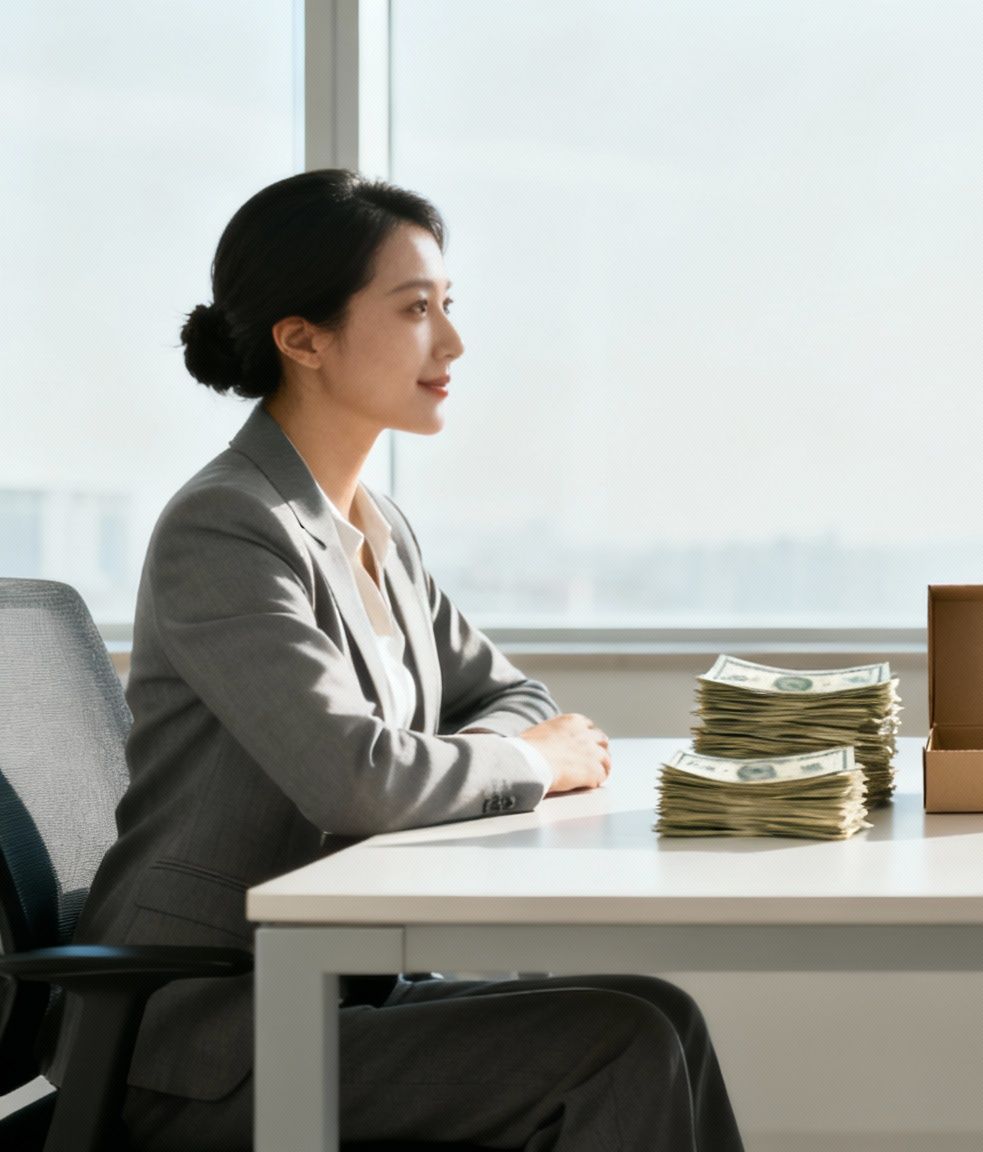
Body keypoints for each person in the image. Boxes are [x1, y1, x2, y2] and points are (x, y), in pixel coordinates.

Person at [41, 169, 746, 1151]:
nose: (451, 344)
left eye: (448, 308)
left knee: (656, 1014)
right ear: (303, 338)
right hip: (202, 1042)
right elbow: (356, 778)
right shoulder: (228, 527)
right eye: (415, 310)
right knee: (617, 1042)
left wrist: (503, 743)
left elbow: (510, 693)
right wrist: (534, 761)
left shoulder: (376, 526)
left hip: (332, 991)